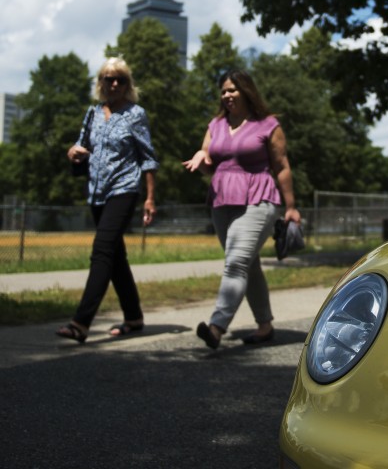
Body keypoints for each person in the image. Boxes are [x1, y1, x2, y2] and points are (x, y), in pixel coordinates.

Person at [183, 69, 301, 349]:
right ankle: (265, 325)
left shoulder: (268, 125)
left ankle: (216, 327)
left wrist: (291, 206)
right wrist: (201, 160)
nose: (227, 95)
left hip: (259, 199)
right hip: (221, 201)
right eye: (223, 91)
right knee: (249, 264)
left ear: (246, 91)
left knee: (235, 262)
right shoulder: (216, 125)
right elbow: (209, 161)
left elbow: (282, 166)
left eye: (232, 90)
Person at [56, 57, 158, 343]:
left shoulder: (135, 114)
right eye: (108, 78)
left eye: (120, 79)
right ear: (100, 82)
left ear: (128, 84)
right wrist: (73, 152)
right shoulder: (92, 113)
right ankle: (134, 317)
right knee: (115, 258)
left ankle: (81, 322)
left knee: (101, 250)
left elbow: (148, 157)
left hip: (124, 189)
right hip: (96, 192)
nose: (114, 83)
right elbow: (82, 144)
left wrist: (150, 198)